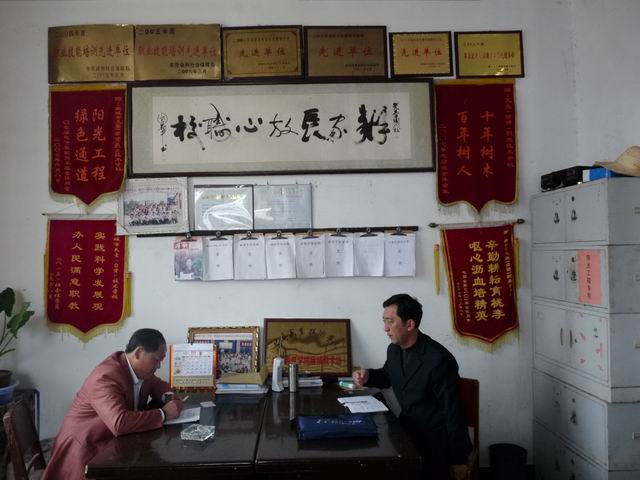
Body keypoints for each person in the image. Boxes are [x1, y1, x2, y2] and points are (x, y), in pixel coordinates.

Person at [352, 294, 472, 480]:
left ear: (409, 324)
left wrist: (458, 460)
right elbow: (388, 375)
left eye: (390, 321)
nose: (385, 328)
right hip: (407, 430)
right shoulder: (394, 349)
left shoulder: (439, 359)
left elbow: (453, 412)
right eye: (384, 321)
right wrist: (367, 376)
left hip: (435, 442)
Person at [43, 328, 184, 480]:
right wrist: (164, 414)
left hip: (115, 444)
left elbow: (158, 385)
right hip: (88, 451)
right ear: (139, 352)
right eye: (156, 360)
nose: (158, 366)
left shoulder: (140, 371)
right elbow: (119, 423)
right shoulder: (106, 377)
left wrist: (169, 397)